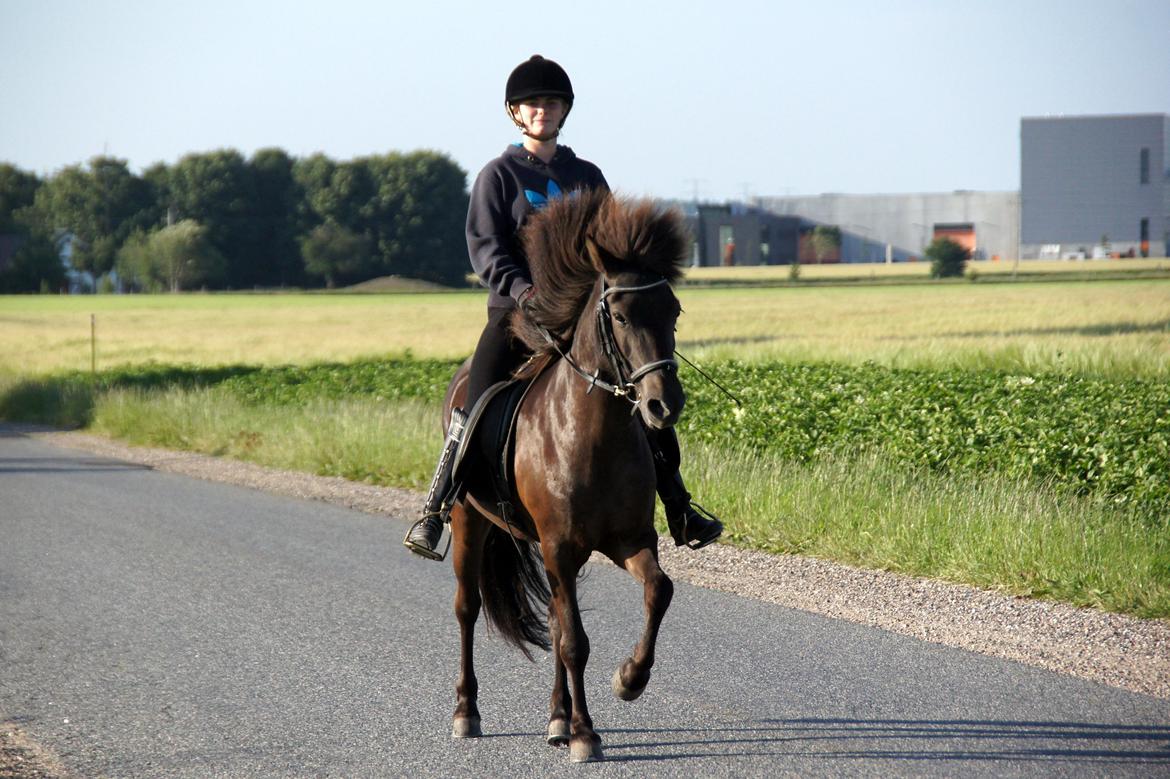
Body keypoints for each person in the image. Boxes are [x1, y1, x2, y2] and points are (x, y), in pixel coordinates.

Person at [404, 55, 722, 560]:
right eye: (532, 104)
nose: (542, 111)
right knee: (475, 402)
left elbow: (612, 246)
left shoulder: (586, 174)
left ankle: (679, 505)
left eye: (551, 103)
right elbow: (487, 249)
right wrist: (526, 293)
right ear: (515, 112)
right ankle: (437, 508)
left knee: (645, 396)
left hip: (585, 320)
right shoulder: (498, 176)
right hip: (516, 316)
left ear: (564, 110)